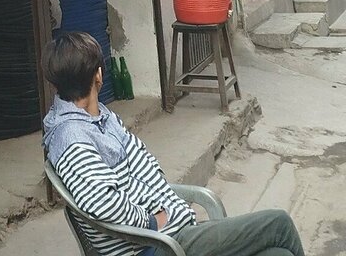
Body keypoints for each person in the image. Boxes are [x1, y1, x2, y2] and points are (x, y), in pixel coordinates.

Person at [43, 32, 305, 256]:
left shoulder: (101, 117)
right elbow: (103, 203)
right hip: (154, 246)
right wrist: (153, 222)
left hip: (174, 229)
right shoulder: (71, 138)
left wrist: (171, 209)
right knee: (279, 223)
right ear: (98, 76)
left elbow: (144, 167)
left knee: (278, 253)